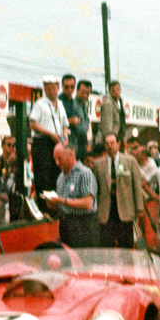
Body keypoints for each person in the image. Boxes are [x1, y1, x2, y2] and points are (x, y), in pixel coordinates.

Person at [94, 132, 145, 248]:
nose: (109, 146)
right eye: (107, 144)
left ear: (118, 144)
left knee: (126, 246)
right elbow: (96, 190)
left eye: (112, 143)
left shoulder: (130, 161)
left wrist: (140, 208)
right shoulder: (98, 164)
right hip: (106, 213)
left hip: (125, 211)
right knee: (106, 247)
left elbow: (137, 186)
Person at [45, 142, 98, 247]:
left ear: (71, 155)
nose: (57, 163)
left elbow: (88, 204)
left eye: (60, 159)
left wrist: (61, 201)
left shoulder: (85, 173)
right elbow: (61, 206)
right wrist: (52, 203)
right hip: (65, 226)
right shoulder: (60, 177)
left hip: (83, 226)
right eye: (55, 159)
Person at [29, 75, 69, 207]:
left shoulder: (61, 104)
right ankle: (44, 208)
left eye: (53, 89)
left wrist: (65, 138)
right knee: (44, 178)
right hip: (43, 144)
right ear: (44, 90)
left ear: (58, 88)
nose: (51, 92)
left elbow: (65, 125)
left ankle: (56, 207)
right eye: (48, 89)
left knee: (57, 176)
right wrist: (49, 134)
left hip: (57, 143)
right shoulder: (39, 104)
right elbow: (33, 124)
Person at [97, 80, 126, 147]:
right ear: (110, 92)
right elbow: (107, 126)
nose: (116, 92)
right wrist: (111, 141)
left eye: (117, 89)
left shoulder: (120, 103)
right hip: (111, 141)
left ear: (120, 90)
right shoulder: (108, 103)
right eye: (113, 90)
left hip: (118, 139)